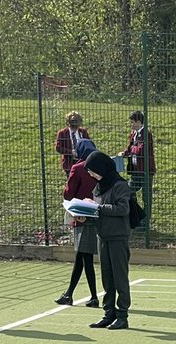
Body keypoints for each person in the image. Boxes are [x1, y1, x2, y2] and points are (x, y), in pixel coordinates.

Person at [85, 150, 131, 331]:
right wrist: (84, 212)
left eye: (92, 170)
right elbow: (97, 211)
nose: (91, 174)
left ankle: (122, 316)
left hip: (118, 237)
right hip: (102, 236)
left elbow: (123, 209)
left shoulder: (120, 185)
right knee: (106, 277)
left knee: (120, 277)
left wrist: (98, 207)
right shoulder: (98, 187)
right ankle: (108, 313)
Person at [56, 137, 100, 308]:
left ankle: (92, 296)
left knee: (83, 257)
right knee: (82, 257)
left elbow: (68, 194)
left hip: (81, 215)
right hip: (97, 214)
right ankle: (70, 293)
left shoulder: (78, 167)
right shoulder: (99, 166)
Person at [119, 111, 155, 193]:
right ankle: (133, 202)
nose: (130, 124)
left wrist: (132, 149)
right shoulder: (133, 133)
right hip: (135, 169)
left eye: (132, 122)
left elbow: (141, 150)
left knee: (146, 193)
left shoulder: (146, 134)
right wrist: (125, 153)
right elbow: (130, 146)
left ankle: (146, 202)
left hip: (145, 169)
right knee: (129, 191)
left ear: (138, 122)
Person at [55, 112, 90, 176]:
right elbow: (58, 147)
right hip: (69, 162)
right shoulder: (62, 133)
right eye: (72, 124)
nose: (74, 127)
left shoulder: (83, 132)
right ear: (68, 123)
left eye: (76, 124)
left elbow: (89, 145)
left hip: (82, 162)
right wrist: (71, 152)